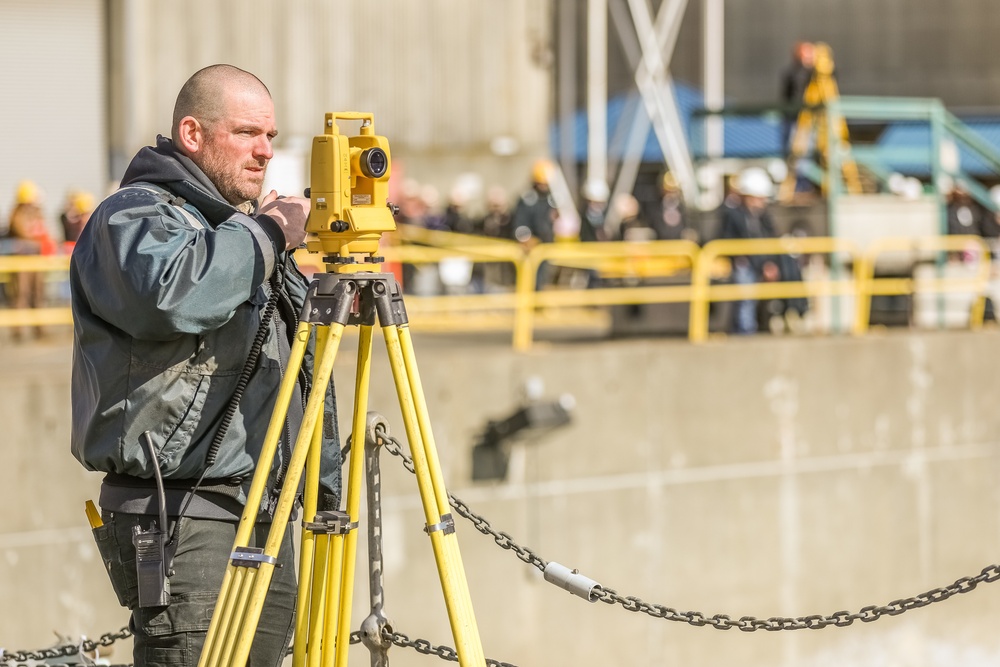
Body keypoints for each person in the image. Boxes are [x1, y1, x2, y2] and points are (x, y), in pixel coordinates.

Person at [70, 64, 341, 667]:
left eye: (270, 136)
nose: (265, 151)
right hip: (186, 520)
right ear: (193, 134)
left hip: (259, 510)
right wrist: (268, 232)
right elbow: (175, 293)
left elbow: (301, 373)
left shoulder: (234, 233)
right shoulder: (133, 218)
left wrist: (323, 494)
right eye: (247, 133)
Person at [719, 167, 780, 334]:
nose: (761, 202)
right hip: (744, 265)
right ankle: (745, 332)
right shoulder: (734, 215)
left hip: (761, 263)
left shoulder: (763, 217)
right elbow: (727, 239)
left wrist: (770, 263)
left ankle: (760, 328)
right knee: (745, 298)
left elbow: (771, 238)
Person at [780, 41, 815, 157]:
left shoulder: (816, 73)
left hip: (811, 120)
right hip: (795, 119)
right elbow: (795, 92)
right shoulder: (794, 72)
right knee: (796, 153)